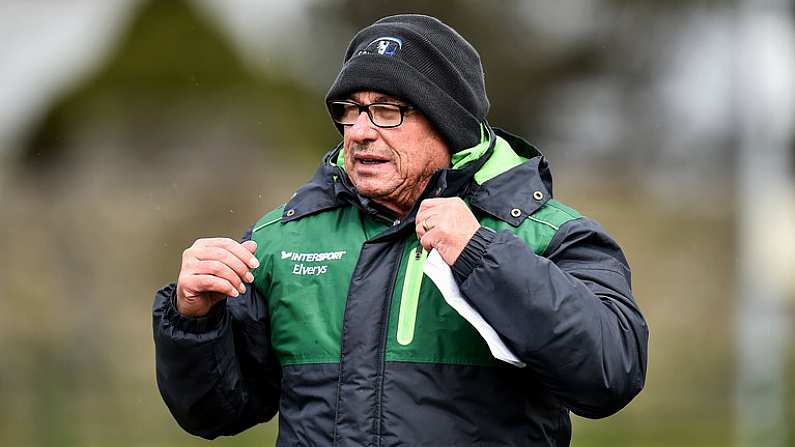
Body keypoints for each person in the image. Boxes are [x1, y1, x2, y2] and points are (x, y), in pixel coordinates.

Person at [152, 14, 648, 446]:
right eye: (350, 110)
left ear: (448, 122)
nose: (360, 131)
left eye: (388, 110)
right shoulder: (283, 239)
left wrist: (480, 255)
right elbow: (213, 413)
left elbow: (610, 374)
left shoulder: (551, 235)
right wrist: (193, 320)